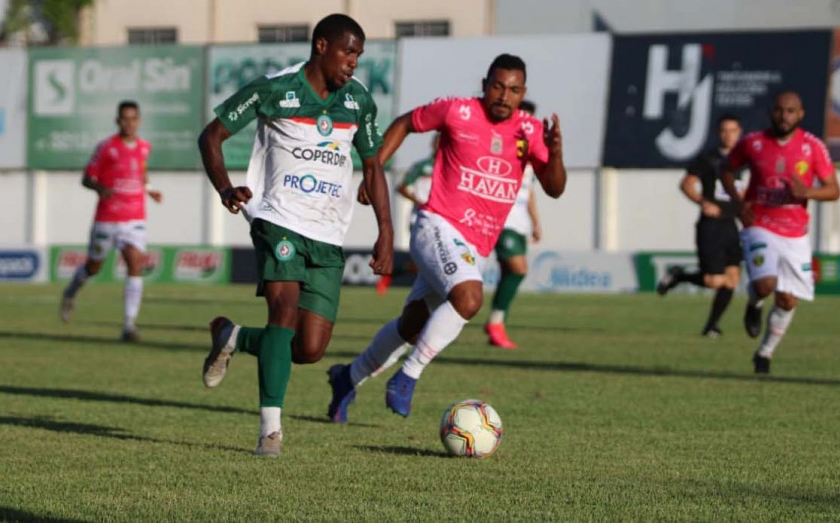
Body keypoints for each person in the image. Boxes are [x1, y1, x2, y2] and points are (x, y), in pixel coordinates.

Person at [328, 54, 566, 424]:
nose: (504, 95)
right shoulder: (458, 111)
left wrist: (556, 153)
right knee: (469, 297)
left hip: (474, 246)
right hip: (437, 225)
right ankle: (407, 377)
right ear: (486, 83)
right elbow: (406, 122)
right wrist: (373, 171)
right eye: (498, 86)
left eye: (514, 90)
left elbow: (553, 189)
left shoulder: (530, 130)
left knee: (413, 324)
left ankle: (348, 377)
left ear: (524, 93)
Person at [195, 14, 394, 457]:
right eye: (348, 52)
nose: (354, 64)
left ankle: (232, 337)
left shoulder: (358, 102)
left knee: (308, 349)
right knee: (282, 315)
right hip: (276, 218)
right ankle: (271, 431)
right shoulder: (274, 90)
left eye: (359, 56)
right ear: (322, 46)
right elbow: (211, 137)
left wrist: (385, 231)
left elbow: (374, 167)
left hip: (327, 231)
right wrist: (227, 188)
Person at [722, 90, 840, 374]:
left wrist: (807, 191)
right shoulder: (753, 142)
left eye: (790, 111)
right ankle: (755, 302)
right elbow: (725, 169)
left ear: (800, 115)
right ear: (770, 113)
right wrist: (738, 203)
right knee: (765, 284)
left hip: (795, 231)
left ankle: (764, 354)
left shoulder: (813, 147)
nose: (784, 116)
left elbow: (833, 189)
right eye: (779, 110)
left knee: (787, 300)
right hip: (759, 223)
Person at [59, 101, 163, 342]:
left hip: (135, 217)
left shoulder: (144, 148)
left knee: (135, 263)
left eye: (133, 118)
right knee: (93, 267)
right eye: (124, 118)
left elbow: (142, 174)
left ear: (139, 121)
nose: (129, 123)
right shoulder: (106, 148)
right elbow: (86, 178)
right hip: (107, 218)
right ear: (117, 121)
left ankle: (129, 325)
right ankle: (71, 292)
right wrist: (99, 187)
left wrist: (150, 190)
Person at [656, 114, 748, 338]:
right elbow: (686, 183)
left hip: (731, 225)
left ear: (740, 133)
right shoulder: (709, 159)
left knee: (732, 279)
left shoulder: (744, 160)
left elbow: (743, 191)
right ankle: (679, 277)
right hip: (711, 226)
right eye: (724, 130)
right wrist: (702, 202)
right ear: (719, 133)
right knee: (713, 280)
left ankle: (711, 327)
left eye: (733, 130)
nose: (729, 135)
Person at [483, 100, 544, 349]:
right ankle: (496, 322)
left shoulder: (531, 153)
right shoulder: (499, 143)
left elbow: (529, 192)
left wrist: (536, 222)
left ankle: (497, 323)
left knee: (510, 272)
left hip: (519, 222)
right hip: (501, 218)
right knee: (518, 269)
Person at [372, 133, 439, 295]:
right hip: (420, 217)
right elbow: (401, 187)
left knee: (429, 260)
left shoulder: (449, 166)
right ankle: (391, 275)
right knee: (424, 259)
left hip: (441, 219)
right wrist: (419, 200)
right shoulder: (422, 166)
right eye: (438, 141)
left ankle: (392, 274)